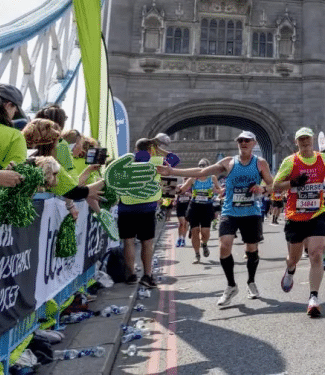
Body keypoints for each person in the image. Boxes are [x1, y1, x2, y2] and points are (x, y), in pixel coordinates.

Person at [159, 131, 274, 306]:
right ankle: (231, 286)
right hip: (230, 212)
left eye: (247, 140)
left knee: (251, 248)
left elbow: (272, 185)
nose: (243, 143)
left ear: (254, 143)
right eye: (240, 140)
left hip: (251, 212)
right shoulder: (228, 162)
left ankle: (251, 282)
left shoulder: (260, 163)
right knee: (224, 246)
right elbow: (201, 171)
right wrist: (172, 171)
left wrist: (262, 189)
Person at [275, 127, 325, 318]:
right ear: (296, 142)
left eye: (307, 138)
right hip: (295, 216)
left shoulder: (323, 158)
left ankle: (313, 298)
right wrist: (293, 183)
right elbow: (275, 185)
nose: (305, 142)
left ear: (313, 139)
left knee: (316, 254)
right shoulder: (290, 161)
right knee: (294, 258)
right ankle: (290, 270)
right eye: (301, 139)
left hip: (317, 213)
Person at [116, 138, 163, 289]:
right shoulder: (154, 162)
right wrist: (159, 150)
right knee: (147, 242)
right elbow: (174, 159)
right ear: (150, 150)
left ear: (136, 149)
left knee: (128, 241)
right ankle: (147, 276)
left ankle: (131, 275)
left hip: (126, 207)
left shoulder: (126, 162)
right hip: (146, 207)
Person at [181, 159, 221, 263]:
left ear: (208, 167)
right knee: (195, 231)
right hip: (194, 207)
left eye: (204, 165)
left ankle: (204, 244)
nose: (201, 167)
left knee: (205, 232)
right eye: (200, 165)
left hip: (207, 207)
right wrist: (174, 189)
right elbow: (183, 188)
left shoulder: (212, 178)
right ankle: (197, 254)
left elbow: (219, 189)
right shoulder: (193, 178)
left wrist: (219, 191)